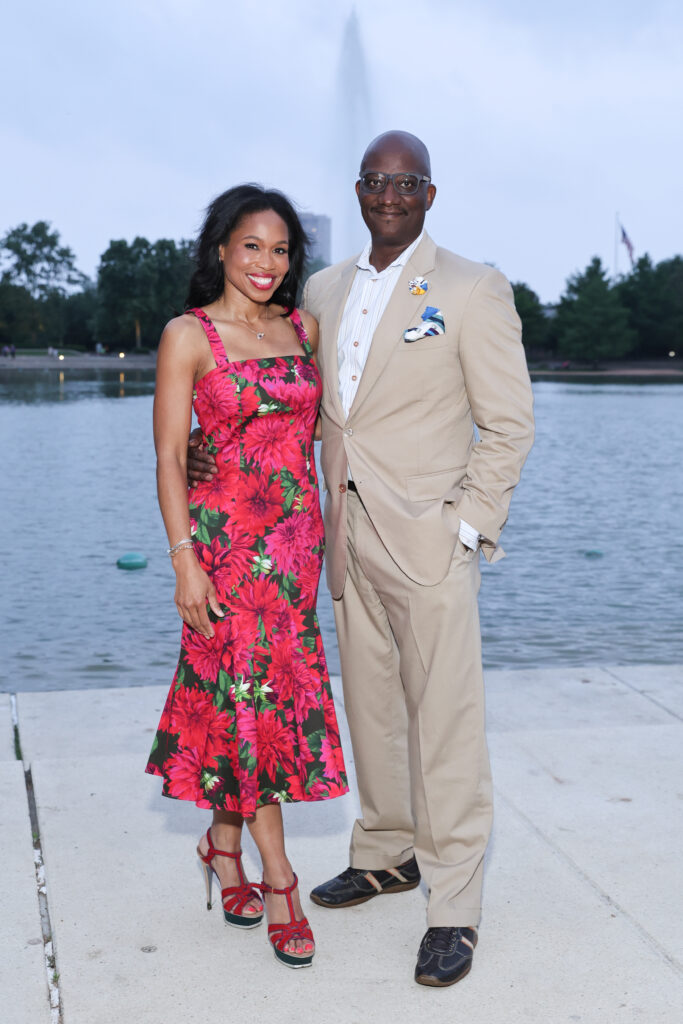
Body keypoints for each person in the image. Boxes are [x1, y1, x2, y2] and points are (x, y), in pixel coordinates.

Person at [188, 131, 534, 987]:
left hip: (428, 542)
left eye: (405, 182)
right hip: (335, 542)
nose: (389, 194)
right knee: (371, 713)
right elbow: (281, 396)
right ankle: (384, 853)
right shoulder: (321, 290)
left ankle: (452, 905)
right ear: (356, 189)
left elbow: (509, 424)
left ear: (428, 192)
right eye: (376, 181)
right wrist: (208, 450)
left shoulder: (471, 287)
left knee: (444, 727)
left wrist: (465, 524)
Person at [146, 184, 348, 970]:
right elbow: (169, 455)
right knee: (252, 709)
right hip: (226, 555)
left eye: (281, 249)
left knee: (249, 708)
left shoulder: (303, 327)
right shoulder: (187, 336)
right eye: (251, 246)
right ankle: (281, 883)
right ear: (221, 250)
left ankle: (221, 848)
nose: (266, 263)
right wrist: (184, 561)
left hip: (296, 555)